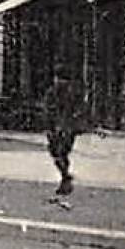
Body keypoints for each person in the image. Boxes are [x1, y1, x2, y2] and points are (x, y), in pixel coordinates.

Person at [42, 68, 87, 196]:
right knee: (61, 153)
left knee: (59, 153)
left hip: (61, 128)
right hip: (65, 128)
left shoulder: (54, 92)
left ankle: (65, 177)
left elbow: (48, 111)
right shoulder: (70, 93)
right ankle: (65, 178)